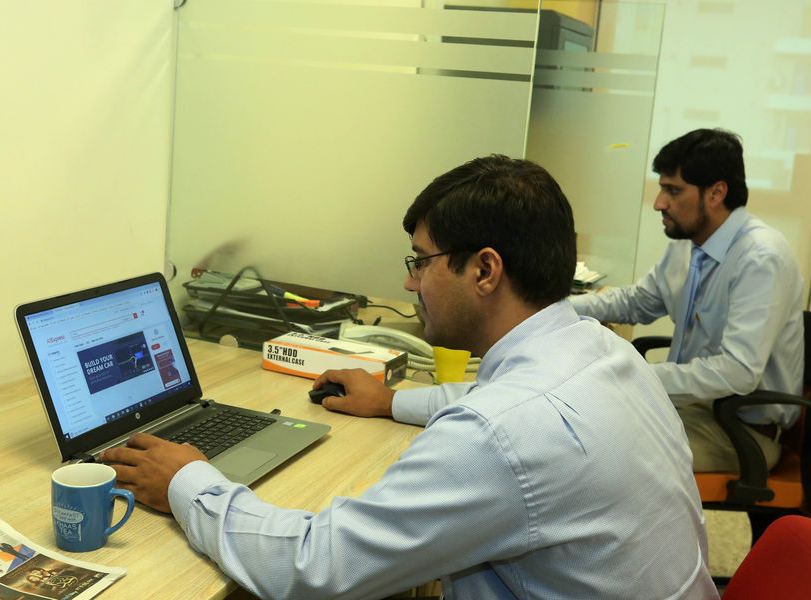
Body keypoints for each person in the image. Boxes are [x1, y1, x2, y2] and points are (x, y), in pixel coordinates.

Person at [102, 155, 717, 600]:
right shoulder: (600, 353)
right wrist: (393, 400)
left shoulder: (499, 435)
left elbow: (315, 568)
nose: (408, 283)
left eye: (420, 262)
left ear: (484, 270)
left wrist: (188, 481)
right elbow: (494, 400)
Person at [571, 128, 804, 473]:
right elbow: (637, 302)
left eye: (673, 190)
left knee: (609, 456)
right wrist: (556, 306)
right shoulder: (688, 245)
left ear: (716, 193)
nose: (658, 203)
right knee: (579, 426)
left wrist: (641, 379)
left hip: (740, 433)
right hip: (690, 411)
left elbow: (739, 371)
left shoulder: (760, 258)